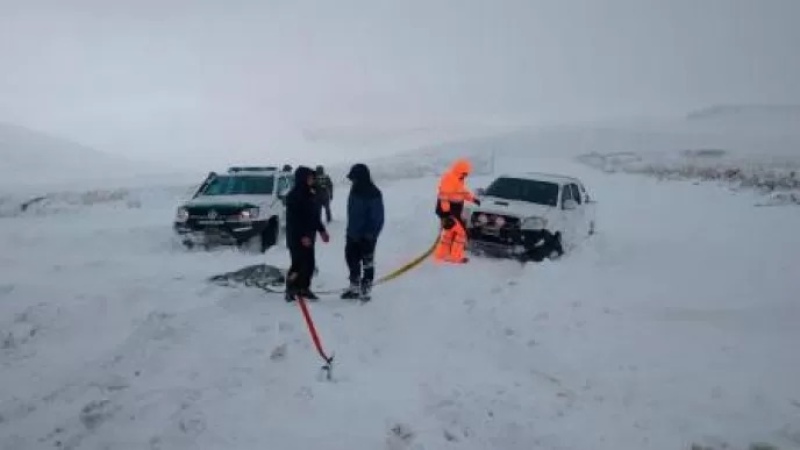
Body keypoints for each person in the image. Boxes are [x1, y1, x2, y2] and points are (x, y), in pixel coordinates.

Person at [284, 165, 329, 301]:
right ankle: (290, 289)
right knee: (297, 265)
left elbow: (314, 216)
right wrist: (302, 236)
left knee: (309, 264)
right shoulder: (293, 196)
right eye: (309, 177)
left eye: (312, 177)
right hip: (296, 237)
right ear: (302, 178)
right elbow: (294, 220)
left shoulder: (311, 194)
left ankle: (304, 288)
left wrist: (321, 231)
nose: (312, 179)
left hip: (309, 236)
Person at [340, 163, 384, 300]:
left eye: (354, 178)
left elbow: (377, 218)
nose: (352, 181)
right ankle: (354, 287)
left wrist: (369, 235)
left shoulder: (374, 193)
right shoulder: (354, 190)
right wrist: (351, 231)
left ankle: (365, 290)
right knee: (351, 260)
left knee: (367, 263)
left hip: (367, 237)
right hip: (352, 234)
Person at [434, 158, 480, 263]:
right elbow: (444, 196)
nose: (466, 176)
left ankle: (441, 255)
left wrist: (473, 199)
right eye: (465, 173)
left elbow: (462, 193)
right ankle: (456, 257)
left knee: (449, 233)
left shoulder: (458, 179)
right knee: (461, 233)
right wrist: (446, 214)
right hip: (449, 212)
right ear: (460, 170)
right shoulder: (449, 178)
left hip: (454, 211)